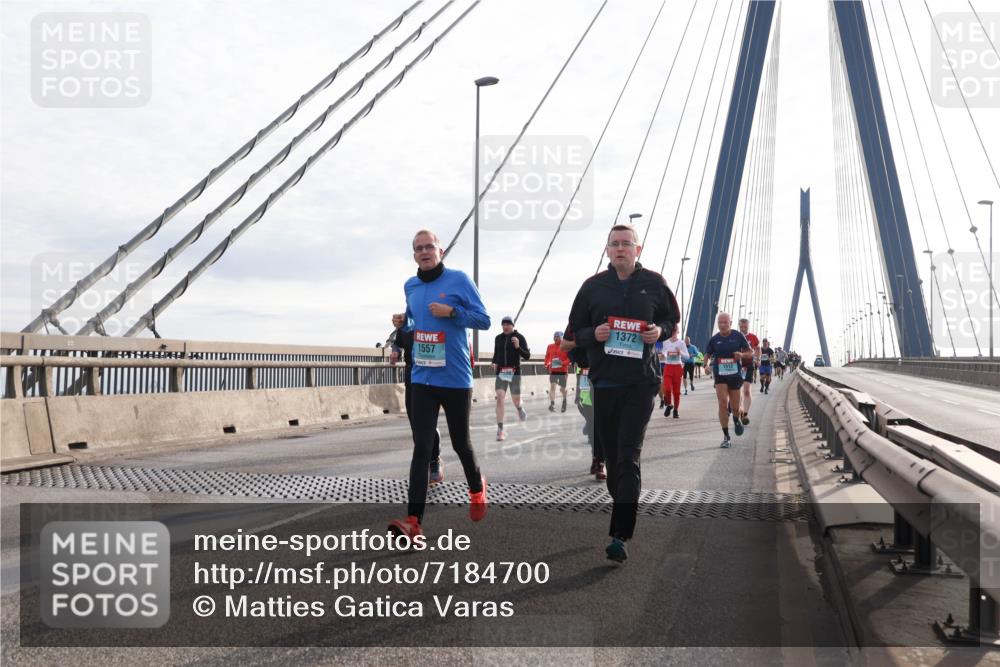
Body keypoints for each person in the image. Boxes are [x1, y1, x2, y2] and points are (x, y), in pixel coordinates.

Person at [568, 223, 679, 563]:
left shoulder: (654, 284)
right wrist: (594, 335)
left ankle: (620, 535)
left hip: (640, 384)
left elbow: (672, 322)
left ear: (637, 250)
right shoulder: (592, 288)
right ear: (607, 251)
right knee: (614, 458)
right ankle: (622, 499)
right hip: (604, 384)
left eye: (626, 244)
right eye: (614, 244)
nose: (620, 249)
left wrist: (659, 331)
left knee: (629, 454)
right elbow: (572, 336)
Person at [388, 229, 490, 539]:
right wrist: (402, 324)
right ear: (414, 254)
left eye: (429, 246)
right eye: (418, 248)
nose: (424, 251)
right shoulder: (411, 285)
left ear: (440, 250)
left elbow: (483, 320)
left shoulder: (459, 280)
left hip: (455, 378)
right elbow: (415, 320)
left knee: (461, 444)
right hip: (422, 376)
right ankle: (413, 522)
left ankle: (477, 487)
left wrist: (453, 312)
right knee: (421, 448)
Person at [390, 322, 443, 483]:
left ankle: (433, 461)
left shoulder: (433, 320)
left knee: (426, 422)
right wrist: (395, 352)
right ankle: (426, 458)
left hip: (431, 377)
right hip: (411, 377)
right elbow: (397, 344)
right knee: (415, 422)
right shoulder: (405, 325)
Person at [703, 313, 753, 448]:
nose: (722, 325)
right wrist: (706, 365)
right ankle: (726, 437)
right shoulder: (714, 339)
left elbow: (750, 352)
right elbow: (707, 354)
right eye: (720, 322)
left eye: (725, 322)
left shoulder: (738, 336)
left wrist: (741, 354)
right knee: (722, 403)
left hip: (735, 375)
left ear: (730, 323)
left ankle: (736, 420)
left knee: (735, 408)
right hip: (720, 375)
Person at [562, 326, 605, 480]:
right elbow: (564, 345)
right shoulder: (580, 319)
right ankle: (598, 457)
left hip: (607, 375)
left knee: (603, 421)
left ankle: (600, 461)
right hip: (585, 375)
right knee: (592, 417)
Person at [492, 316, 530, 441]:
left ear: (513, 326)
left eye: (508, 324)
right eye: (503, 324)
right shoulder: (498, 338)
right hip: (501, 372)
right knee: (500, 398)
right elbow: (496, 354)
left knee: (516, 400)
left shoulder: (519, 337)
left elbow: (527, 356)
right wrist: (494, 362)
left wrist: (518, 347)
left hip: (514, 372)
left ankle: (519, 408)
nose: (505, 326)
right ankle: (500, 430)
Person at [660, 325, 689, 418]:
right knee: (666, 388)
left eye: (675, 331)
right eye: (672, 331)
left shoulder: (681, 343)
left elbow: (687, 356)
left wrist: (680, 352)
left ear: (678, 332)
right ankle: (669, 404)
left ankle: (675, 410)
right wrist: (663, 355)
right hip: (668, 366)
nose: (673, 332)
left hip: (677, 367)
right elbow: (664, 351)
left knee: (676, 392)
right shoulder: (665, 342)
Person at [736, 318, 760, 426]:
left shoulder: (753, 337)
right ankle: (739, 408)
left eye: (745, 326)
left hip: (748, 365)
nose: (743, 328)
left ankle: (745, 414)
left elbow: (758, 348)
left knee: (746, 390)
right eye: (741, 326)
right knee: (736, 390)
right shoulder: (735, 336)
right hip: (736, 366)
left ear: (748, 326)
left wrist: (758, 359)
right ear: (739, 325)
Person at [544, 331, 571, 412]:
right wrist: (546, 363)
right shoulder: (550, 346)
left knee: (562, 389)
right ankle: (552, 404)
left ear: (562, 337)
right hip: (553, 371)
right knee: (552, 387)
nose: (556, 338)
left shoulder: (566, 347)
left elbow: (570, 359)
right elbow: (547, 357)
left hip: (563, 371)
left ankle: (564, 401)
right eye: (555, 336)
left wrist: (563, 363)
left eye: (558, 336)